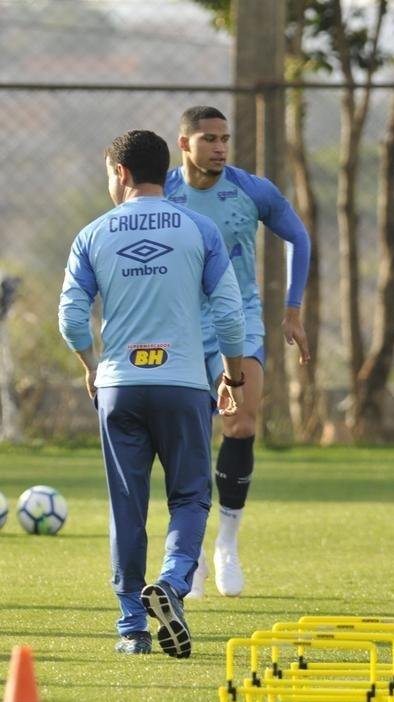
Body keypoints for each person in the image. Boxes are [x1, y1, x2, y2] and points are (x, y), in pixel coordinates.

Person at [59, 129, 245, 657]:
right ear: (164, 171)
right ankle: (172, 581)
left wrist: (91, 366)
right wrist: (232, 377)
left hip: (119, 385)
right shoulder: (200, 229)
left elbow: (71, 318)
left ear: (120, 173)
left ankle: (131, 629)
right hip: (183, 385)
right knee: (190, 496)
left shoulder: (92, 234)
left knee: (127, 506)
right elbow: (229, 314)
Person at [166, 106, 312, 598]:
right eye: (209, 139)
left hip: (239, 317)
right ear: (184, 144)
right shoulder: (162, 192)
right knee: (185, 434)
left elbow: (298, 238)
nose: (220, 148)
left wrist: (292, 309)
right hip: (181, 324)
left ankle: (226, 542)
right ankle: (189, 553)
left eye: (225, 138)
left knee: (242, 421)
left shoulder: (252, 190)